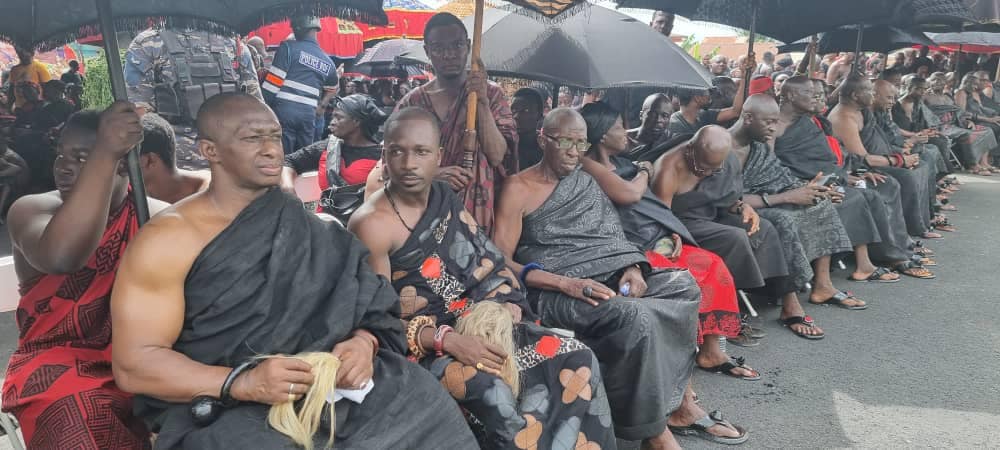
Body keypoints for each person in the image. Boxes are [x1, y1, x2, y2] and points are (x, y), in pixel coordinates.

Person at [109, 93, 477, 449]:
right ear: (210, 151)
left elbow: (370, 306)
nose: (271, 150)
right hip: (231, 401)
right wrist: (243, 382)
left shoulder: (310, 227)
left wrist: (364, 343)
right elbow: (136, 363)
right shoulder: (167, 239)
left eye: (274, 136)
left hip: (331, 385)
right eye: (253, 138)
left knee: (423, 399)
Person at [349, 107, 616, 449]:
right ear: (383, 154)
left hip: (485, 321)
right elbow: (377, 321)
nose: (409, 163)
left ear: (438, 156)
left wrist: (505, 299)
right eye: (396, 151)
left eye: (421, 152)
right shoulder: (371, 224)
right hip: (427, 348)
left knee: (577, 357)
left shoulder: (443, 196)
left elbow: (486, 257)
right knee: (496, 395)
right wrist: (447, 340)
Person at [495, 108, 748, 448]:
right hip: (558, 290)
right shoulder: (518, 188)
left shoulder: (584, 180)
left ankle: (678, 403)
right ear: (543, 139)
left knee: (683, 285)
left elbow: (613, 236)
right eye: (565, 141)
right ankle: (654, 431)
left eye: (581, 142)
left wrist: (632, 267)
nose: (574, 151)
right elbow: (499, 261)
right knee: (635, 316)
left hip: (610, 274)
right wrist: (565, 284)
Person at [3, 104, 169, 448]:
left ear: (124, 164)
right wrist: (104, 154)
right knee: (75, 411)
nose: (63, 167)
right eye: (60, 154)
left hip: (141, 356)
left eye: (81, 158)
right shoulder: (33, 210)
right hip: (55, 359)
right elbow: (63, 257)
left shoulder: (157, 218)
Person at [579, 102, 756, 378]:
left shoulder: (621, 163)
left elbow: (654, 209)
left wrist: (668, 230)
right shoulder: (587, 165)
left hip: (652, 236)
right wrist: (644, 172)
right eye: (618, 127)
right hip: (627, 246)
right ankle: (682, 357)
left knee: (713, 264)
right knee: (687, 277)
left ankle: (711, 351)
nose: (625, 132)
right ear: (602, 135)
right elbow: (629, 197)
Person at [773, 76, 926, 281]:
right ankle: (879, 259)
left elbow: (828, 156)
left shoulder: (807, 121)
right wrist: (803, 186)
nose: (818, 99)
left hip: (830, 176)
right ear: (790, 95)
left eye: (819, 95)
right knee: (861, 197)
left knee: (877, 188)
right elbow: (773, 165)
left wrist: (846, 174)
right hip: (798, 183)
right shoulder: (774, 124)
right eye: (811, 94)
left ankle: (888, 254)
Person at [731, 95, 862, 310]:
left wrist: (810, 191)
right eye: (769, 122)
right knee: (782, 220)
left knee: (819, 205)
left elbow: (780, 177)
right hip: (732, 211)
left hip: (763, 200)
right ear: (747, 118)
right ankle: (789, 303)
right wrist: (787, 197)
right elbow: (724, 198)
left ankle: (823, 286)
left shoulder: (759, 148)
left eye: (776, 122)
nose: (774, 129)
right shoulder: (720, 147)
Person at [397, 13, 518, 236]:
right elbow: (389, 164)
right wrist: (432, 174)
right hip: (422, 213)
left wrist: (480, 102)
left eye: (457, 45)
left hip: (476, 215)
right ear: (427, 51)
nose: (449, 54)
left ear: (469, 46)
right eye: (438, 48)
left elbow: (497, 156)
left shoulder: (492, 94)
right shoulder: (412, 103)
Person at [125, 27, 262, 169]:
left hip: (174, 172)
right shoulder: (234, 43)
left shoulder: (147, 43)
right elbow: (258, 113)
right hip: (228, 166)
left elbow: (139, 117)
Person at [828, 76, 939, 243]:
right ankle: (901, 240)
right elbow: (862, 160)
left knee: (921, 164)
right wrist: (898, 160)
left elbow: (882, 139)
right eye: (870, 91)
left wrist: (902, 153)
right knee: (902, 178)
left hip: (878, 160)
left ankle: (919, 226)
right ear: (855, 95)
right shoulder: (843, 117)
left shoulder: (862, 111)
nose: (873, 95)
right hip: (857, 168)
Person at [261, 15, 339, 154]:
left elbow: (271, 86)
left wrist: (261, 109)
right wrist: (322, 104)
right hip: (309, 116)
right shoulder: (328, 62)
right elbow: (333, 88)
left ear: (298, 28)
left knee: (282, 158)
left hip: (283, 113)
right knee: (302, 160)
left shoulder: (288, 48)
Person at [281, 94, 386, 195]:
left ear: (356, 121)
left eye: (338, 118)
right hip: (325, 212)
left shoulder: (381, 157)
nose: (332, 122)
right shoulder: (328, 147)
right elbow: (289, 161)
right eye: (333, 117)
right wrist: (288, 188)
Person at [924, 72, 999, 174]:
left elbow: (958, 112)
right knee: (968, 134)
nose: (937, 82)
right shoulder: (926, 96)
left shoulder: (947, 97)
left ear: (945, 82)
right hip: (939, 127)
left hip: (954, 124)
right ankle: (972, 165)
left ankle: (983, 162)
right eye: (934, 80)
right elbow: (922, 114)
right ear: (929, 82)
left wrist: (966, 121)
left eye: (941, 80)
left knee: (986, 130)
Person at [137, 112, 210, 203]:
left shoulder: (211, 192)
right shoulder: (134, 197)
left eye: (125, 158)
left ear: (150, 160)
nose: (120, 166)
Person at [668, 61, 750, 136]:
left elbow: (735, 111)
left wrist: (744, 78)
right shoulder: (676, 125)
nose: (711, 96)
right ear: (697, 98)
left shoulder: (702, 115)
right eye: (709, 91)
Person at [7, 46, 52, 110]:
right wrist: (9, 105)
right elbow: (11, 88)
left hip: (35, 107)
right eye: (20, 54)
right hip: (19, 107)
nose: (22, 57)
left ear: (32, 54)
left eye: (25, 55)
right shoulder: (14, 69)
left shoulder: (40, 67)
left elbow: (47, 87)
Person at [511, 87, 546, 169]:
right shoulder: (503, 143)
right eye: (513, 110)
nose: (516, 116)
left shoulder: (545, 147)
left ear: (539, 116)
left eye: (525, 111)